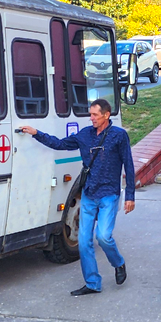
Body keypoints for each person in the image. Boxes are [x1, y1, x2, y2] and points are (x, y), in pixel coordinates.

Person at [20, 98, 135, 296]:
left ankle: (119, 263)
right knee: (83, 242)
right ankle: (92, 283)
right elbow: (60, 144)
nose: (91, 118)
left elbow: (129, 165)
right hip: (89, 193)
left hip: (109, 194)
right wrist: (36, 133)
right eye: (90, 114)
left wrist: (130, 196)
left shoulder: (119, 136)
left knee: (103, 237)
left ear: (106, 115)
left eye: (94, 115)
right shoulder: (85, 135)